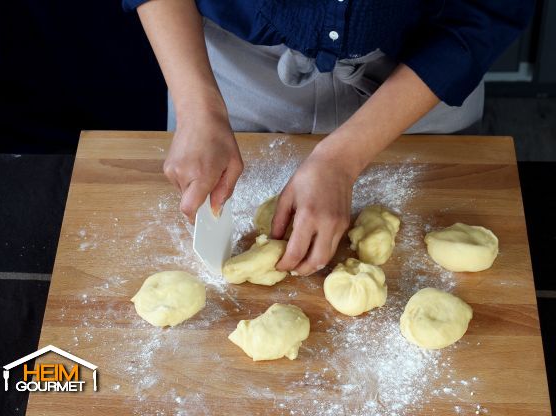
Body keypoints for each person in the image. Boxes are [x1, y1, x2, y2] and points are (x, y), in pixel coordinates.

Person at [124, 0, 534, 276]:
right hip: (231, 72)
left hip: (423, 74)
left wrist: (341, 159)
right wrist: (199, 109)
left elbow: (490, 7)